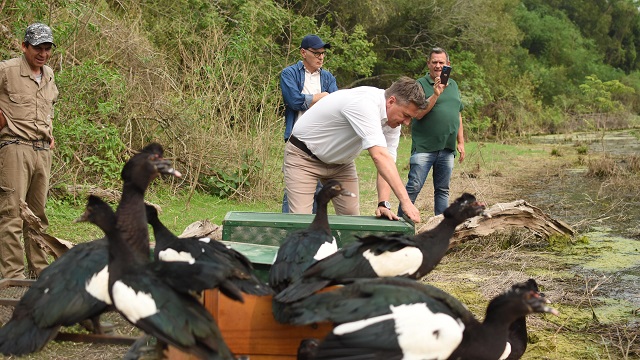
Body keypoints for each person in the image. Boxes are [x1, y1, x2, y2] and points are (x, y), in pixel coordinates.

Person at [283, 76, 427, 223]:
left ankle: (342, 246)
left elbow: (387, 162)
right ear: (391, 101)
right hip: (304, 157)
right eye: (406, 115)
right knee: (301, 221)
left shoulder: (392, 122)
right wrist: (406, 202)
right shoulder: (364, 103)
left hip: (341, 165)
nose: (407, 123)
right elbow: (379, 156)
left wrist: (383, 203)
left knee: (352, 219)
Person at [0, 23, 58, 279]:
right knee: (12, 212)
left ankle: (39, 270)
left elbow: (48, 106)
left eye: (47, 48)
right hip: (15, 148)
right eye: (37, 47)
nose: (43, 53)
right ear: (24, 46)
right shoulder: (6, 70)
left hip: (42, 151)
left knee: (37, 216)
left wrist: (50, 130)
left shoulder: (49, 74)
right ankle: (13, 275)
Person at [398, 47, 465, 217]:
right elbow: (417, 114)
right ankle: (400, 227)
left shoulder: (454, 85)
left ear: (448, 65)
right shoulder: (419, 84)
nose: (437, 65)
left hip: (447, 148)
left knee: (442, 190)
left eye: (441, 62)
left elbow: (457, 114)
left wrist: (461, 142)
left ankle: (440, 229)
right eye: (434, 62)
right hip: (424, 147)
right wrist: (435, 94)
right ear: (428, 64)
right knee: (413, 186)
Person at [280, 34, 338, 213]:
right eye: (316, 53)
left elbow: (336, 104)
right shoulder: (289, 73)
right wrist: (321, 97)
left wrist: (320, 99)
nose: (321, 57)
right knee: (294, 189)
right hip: (296, 140)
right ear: (303, 53)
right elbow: (294, 100)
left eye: (323, 53)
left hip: (322, 141)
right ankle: (289, 233)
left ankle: (313, 233)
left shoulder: (328, 78)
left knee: (319, 191)